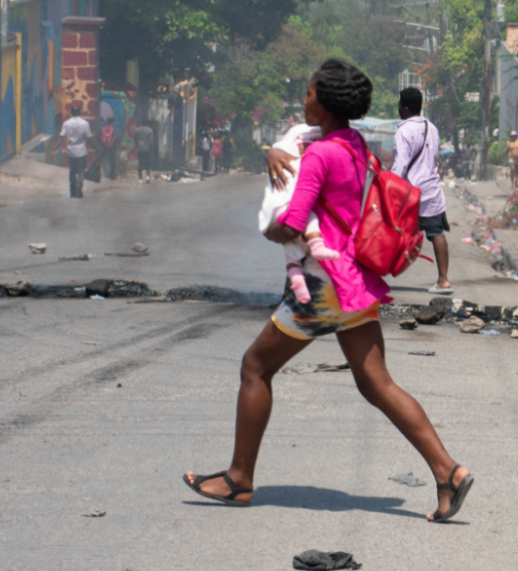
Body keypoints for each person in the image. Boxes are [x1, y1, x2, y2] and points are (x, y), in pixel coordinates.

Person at [184, 60, 473, 522]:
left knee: (255, 367)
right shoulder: (353, 145)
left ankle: (239, 479)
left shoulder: (320, 155)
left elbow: (295, 222)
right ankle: (448, 472)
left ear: (327, 101)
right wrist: (271, 154)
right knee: (377, 383)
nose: (303, 100)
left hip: (322, 287)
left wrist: (270, 227)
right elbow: (295, 144)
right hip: (353, 280)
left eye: (309, 93)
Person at [257, 123, 340, 304]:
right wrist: (275, 153)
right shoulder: (301, 136)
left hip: (326, 223)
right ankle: (295, 296)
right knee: (298, 251)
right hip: (308, 216)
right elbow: (282, 150)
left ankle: (297, 298)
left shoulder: (340, 140)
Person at [393, 87, 453, 295]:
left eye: (400, 104)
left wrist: (390, 185)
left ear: (405, 108)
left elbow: (401, 164)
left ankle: (374, 275)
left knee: (390, 230)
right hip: (432, 191)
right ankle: (443, 280)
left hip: (410, 193)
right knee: (437, 233)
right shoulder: (432, 128)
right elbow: (435, 156)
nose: (398, 107)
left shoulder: (403, 131)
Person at [58, 104, 93, 198]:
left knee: (72, 171)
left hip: (71, 151)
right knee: (81, 170)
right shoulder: (85, 123)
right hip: (82, 151)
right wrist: (97, 148)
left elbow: (61, 136)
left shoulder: (66, 123)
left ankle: (72, 190)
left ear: (71, 113)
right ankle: (79, 186)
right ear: (79, 112)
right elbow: (89, 138)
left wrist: (54, 148)